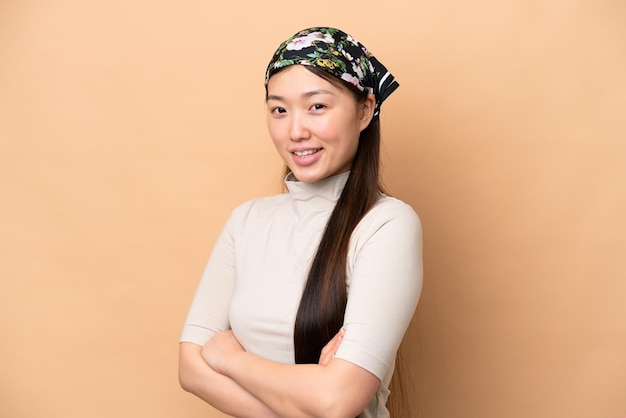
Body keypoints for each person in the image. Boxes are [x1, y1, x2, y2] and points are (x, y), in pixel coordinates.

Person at [178, 27, 423, 418]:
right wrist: (311, 396)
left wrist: (230, 359)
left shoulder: (386, 225)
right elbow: (190, 368)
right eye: (279, 109)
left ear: (364, 110)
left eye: (317, 107)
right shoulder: (246, 221)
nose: (295, 131)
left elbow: (338, 401)